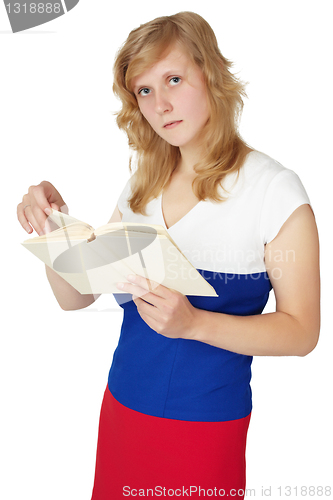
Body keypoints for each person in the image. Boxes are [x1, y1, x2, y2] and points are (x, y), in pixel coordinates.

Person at [17, 11, 320, 500]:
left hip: (205, 427)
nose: (160, 104)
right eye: (144, 91)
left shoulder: (274, 191)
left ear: (211, 74)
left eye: (173, 79)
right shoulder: (142, 184)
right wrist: (53, 225)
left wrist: (195, 323)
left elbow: (303, 332)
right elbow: (75, 296)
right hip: (122, 410)